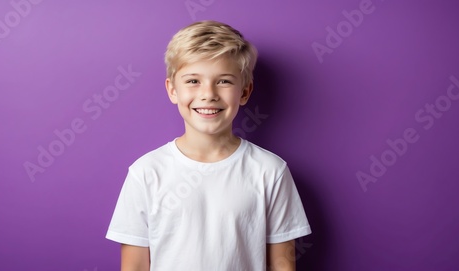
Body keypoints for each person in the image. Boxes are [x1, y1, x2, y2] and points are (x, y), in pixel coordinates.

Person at [106, 20, 311, 271]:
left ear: (244, 92)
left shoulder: (270, 171)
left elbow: (282, 265)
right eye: (193, 81)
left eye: (223, 81)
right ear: (172, 90)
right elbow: (135, 266)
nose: (208, 94)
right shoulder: (146, 172)